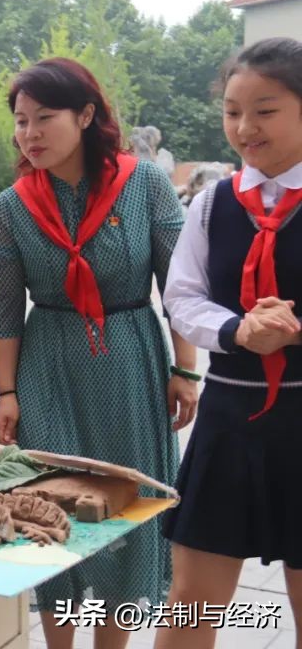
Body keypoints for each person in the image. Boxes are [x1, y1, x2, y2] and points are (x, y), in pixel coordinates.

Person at [0, 57, 196, 648]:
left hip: (130, 357)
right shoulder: (11, 207)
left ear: (84, 115)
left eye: (43, 118)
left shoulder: (145, 183)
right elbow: (4, 310)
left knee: (126, 507)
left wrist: (185, 369)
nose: (29, 134)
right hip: (48, 363)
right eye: (21, 121)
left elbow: (176, 286)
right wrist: (7, 392)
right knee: (53, 505)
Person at [158, 37, 302, 649]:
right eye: (232, 111)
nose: (245, 128)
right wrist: (236, 330)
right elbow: (182, 296)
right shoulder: (213, 203)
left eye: (265, 110)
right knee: (190, 601)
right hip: (229, 412)